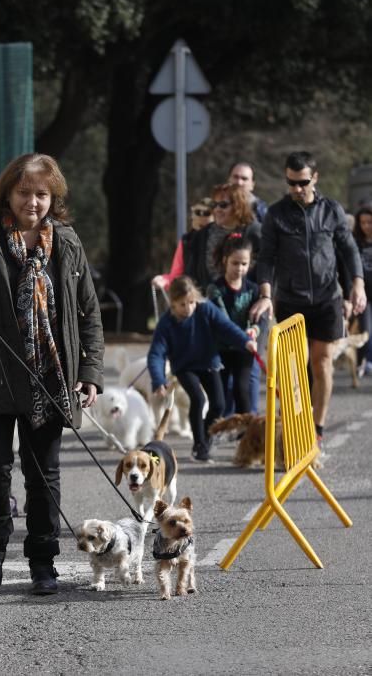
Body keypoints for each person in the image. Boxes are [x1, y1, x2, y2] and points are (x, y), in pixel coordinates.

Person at [0, 153, 104, 595]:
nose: (32, 202)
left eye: (42, 194)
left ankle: (43, 561)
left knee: (44, 475)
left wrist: (90, 370)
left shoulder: (66, 241)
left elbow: (88, 311)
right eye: (24, 192)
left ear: (54, 197)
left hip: (48, 377)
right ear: (8, 192)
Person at [251, 151, 366, 444]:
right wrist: (265, 294)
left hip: (328, 298)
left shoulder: (332, 210)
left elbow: (349, 249)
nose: (296, 189)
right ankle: (295, 425)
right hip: (291, 299)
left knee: (322, 361)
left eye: (302, 182)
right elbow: (266, 258)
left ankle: (316, 428)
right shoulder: (277, 214)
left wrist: (358, 284)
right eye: (291, 183)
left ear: (314, 178)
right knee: (293, 367)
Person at [147, 276, 257, 463]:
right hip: (184, 367)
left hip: (209, 363)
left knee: (219, 405)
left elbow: (226, 327)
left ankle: (205, 438)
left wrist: (245, 341)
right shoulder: (167, 323)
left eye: (191, 302)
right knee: (197, 399)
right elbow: (156, 354)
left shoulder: (205, 309)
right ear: (172, 304)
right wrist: (158, 380)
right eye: (182, 304)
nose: (189, 308)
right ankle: (199, 445)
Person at [207, 233, 266, 414]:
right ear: (225, 260)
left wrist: (255, 330)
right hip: (221, 348)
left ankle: (246, 431)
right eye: (235, 263)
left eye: (244, 264)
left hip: (244, 349)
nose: (239, 268)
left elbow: (261, 318)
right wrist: (243, 337)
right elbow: (222, 321)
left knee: (242, 389)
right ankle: (217, 427)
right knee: (221, 393)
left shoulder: (253, 289)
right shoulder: (215, 289)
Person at [191, 183, 261, 292]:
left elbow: (263, 271)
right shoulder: (201, 235)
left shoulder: (254, 232)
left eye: (223, 205)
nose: (217, 209)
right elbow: (192, 274)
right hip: (209, 302)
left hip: (245, 302)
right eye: (214, 205)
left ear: (238, 205)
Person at [151, 198, 214, 290]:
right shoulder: (186, 241)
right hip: (191, 298)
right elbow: (176, 275)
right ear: (192, 215)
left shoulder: (219, 239)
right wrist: (164, 280)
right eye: (197, 212)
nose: (201, 216)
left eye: (206, 213)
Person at [353, 205, 372, 375]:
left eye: (370, 222)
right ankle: (364, 362)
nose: (366, 226)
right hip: (364, 295)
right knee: (366, 328)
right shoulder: (355, 243)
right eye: (363, 222)